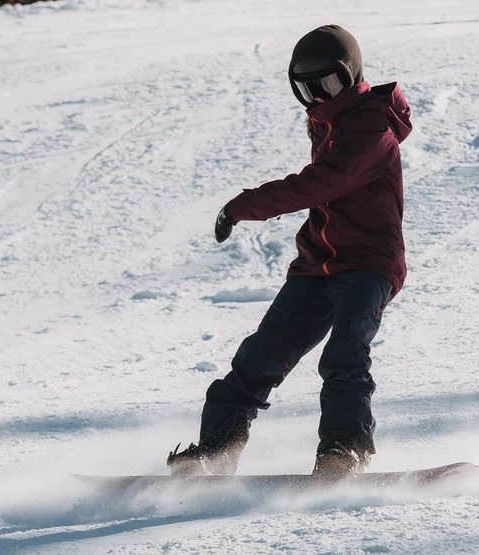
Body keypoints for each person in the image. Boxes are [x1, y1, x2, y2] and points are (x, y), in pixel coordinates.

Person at [167, 24, 412, 476]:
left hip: (368, 265)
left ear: (350, 76)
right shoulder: (329, 120)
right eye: (305, 87)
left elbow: (324, 182)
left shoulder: (373, 127)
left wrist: (243, 205)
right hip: (317, 264)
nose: (318, 95)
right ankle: (215, 453)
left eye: (328, 84)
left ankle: (344, 451)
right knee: (258, 357)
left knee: (344, 353)